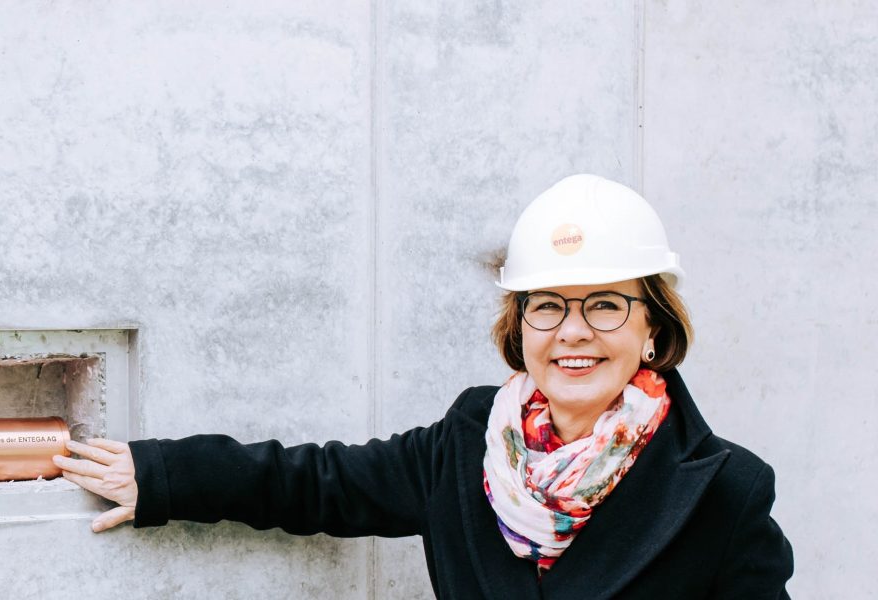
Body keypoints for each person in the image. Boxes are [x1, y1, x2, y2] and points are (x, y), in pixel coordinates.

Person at [58, 174, 793, 597]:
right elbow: (319, 482)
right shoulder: (467, 444)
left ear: (653, 332)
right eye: (547, 306)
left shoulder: (724, 491)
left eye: (605, 304)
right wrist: (163, 475)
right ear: (521, 326)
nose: (573, 331)